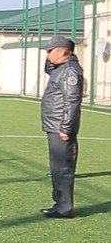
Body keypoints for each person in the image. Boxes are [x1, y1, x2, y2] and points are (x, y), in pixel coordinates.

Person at [40, 35, 84, 219]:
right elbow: (48, 68)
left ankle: (64, 207)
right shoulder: (60, 69)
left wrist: (66, 128)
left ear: (62, 51)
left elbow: (71, 101)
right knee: (57, 168)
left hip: (60, 127)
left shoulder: (70, 72)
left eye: (51, 51)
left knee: (63, 169)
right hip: (54, 125)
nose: (48, 55)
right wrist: (51, 58)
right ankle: (60, 204)